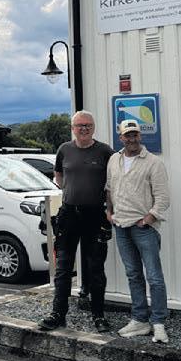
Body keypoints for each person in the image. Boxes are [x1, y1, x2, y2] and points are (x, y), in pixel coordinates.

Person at [39, 110, 114, 332]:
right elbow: (59, 175)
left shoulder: (105, 151)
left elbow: (113, 182)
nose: (84, 129)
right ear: (72, 128)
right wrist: (71, 191)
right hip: (69, 214)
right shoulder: (64, 149)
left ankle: (98, 316)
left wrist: (110, 210)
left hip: (95, 215)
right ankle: (58, 314)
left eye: (88, 125)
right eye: (80, 125)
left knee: (95, 268)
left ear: (93, 128)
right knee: (63, 268)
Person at [106, 119, 170, 343]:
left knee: (154, 277)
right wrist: (109, 212)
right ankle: (140, 320)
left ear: (140, 136)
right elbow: (109, 188)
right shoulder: (114, 160)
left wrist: (149, 218)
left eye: (135, 134)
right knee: (133, 275)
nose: (131, 139)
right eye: (127, 135)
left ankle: (159, 323)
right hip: (121, 226)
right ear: (121, 138)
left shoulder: (153, 162)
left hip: (144, 229)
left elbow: (163, 198)